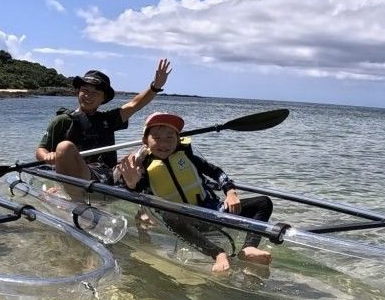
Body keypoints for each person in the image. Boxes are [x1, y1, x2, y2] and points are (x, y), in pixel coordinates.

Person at [115, 112, 274, 273]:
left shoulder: (188, 158)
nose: (164, 143)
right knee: (169, 215)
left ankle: (249, 248)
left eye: (170, 137)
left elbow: (216, 172)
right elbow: (136, 189)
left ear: (178, 139)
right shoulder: (142, 167)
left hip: (212, 211)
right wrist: (131, 183)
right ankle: (218, 254)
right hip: (181, 221)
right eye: (156, 138)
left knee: (263, 202)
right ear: (145, 141)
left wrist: (230, 192)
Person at [35, 59, 172, 196]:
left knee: (142, 151)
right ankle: (70, 194)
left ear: (103, 98)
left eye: (95, 92)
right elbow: (41, 150)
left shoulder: (108, 119)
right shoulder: (62, 121)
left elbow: (134, 104)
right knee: (64, 147)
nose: (88, 95)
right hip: (78, 175)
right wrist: (47, 155)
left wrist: (155, 87)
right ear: (78, 92)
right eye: (85, 90)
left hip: (106, 175)